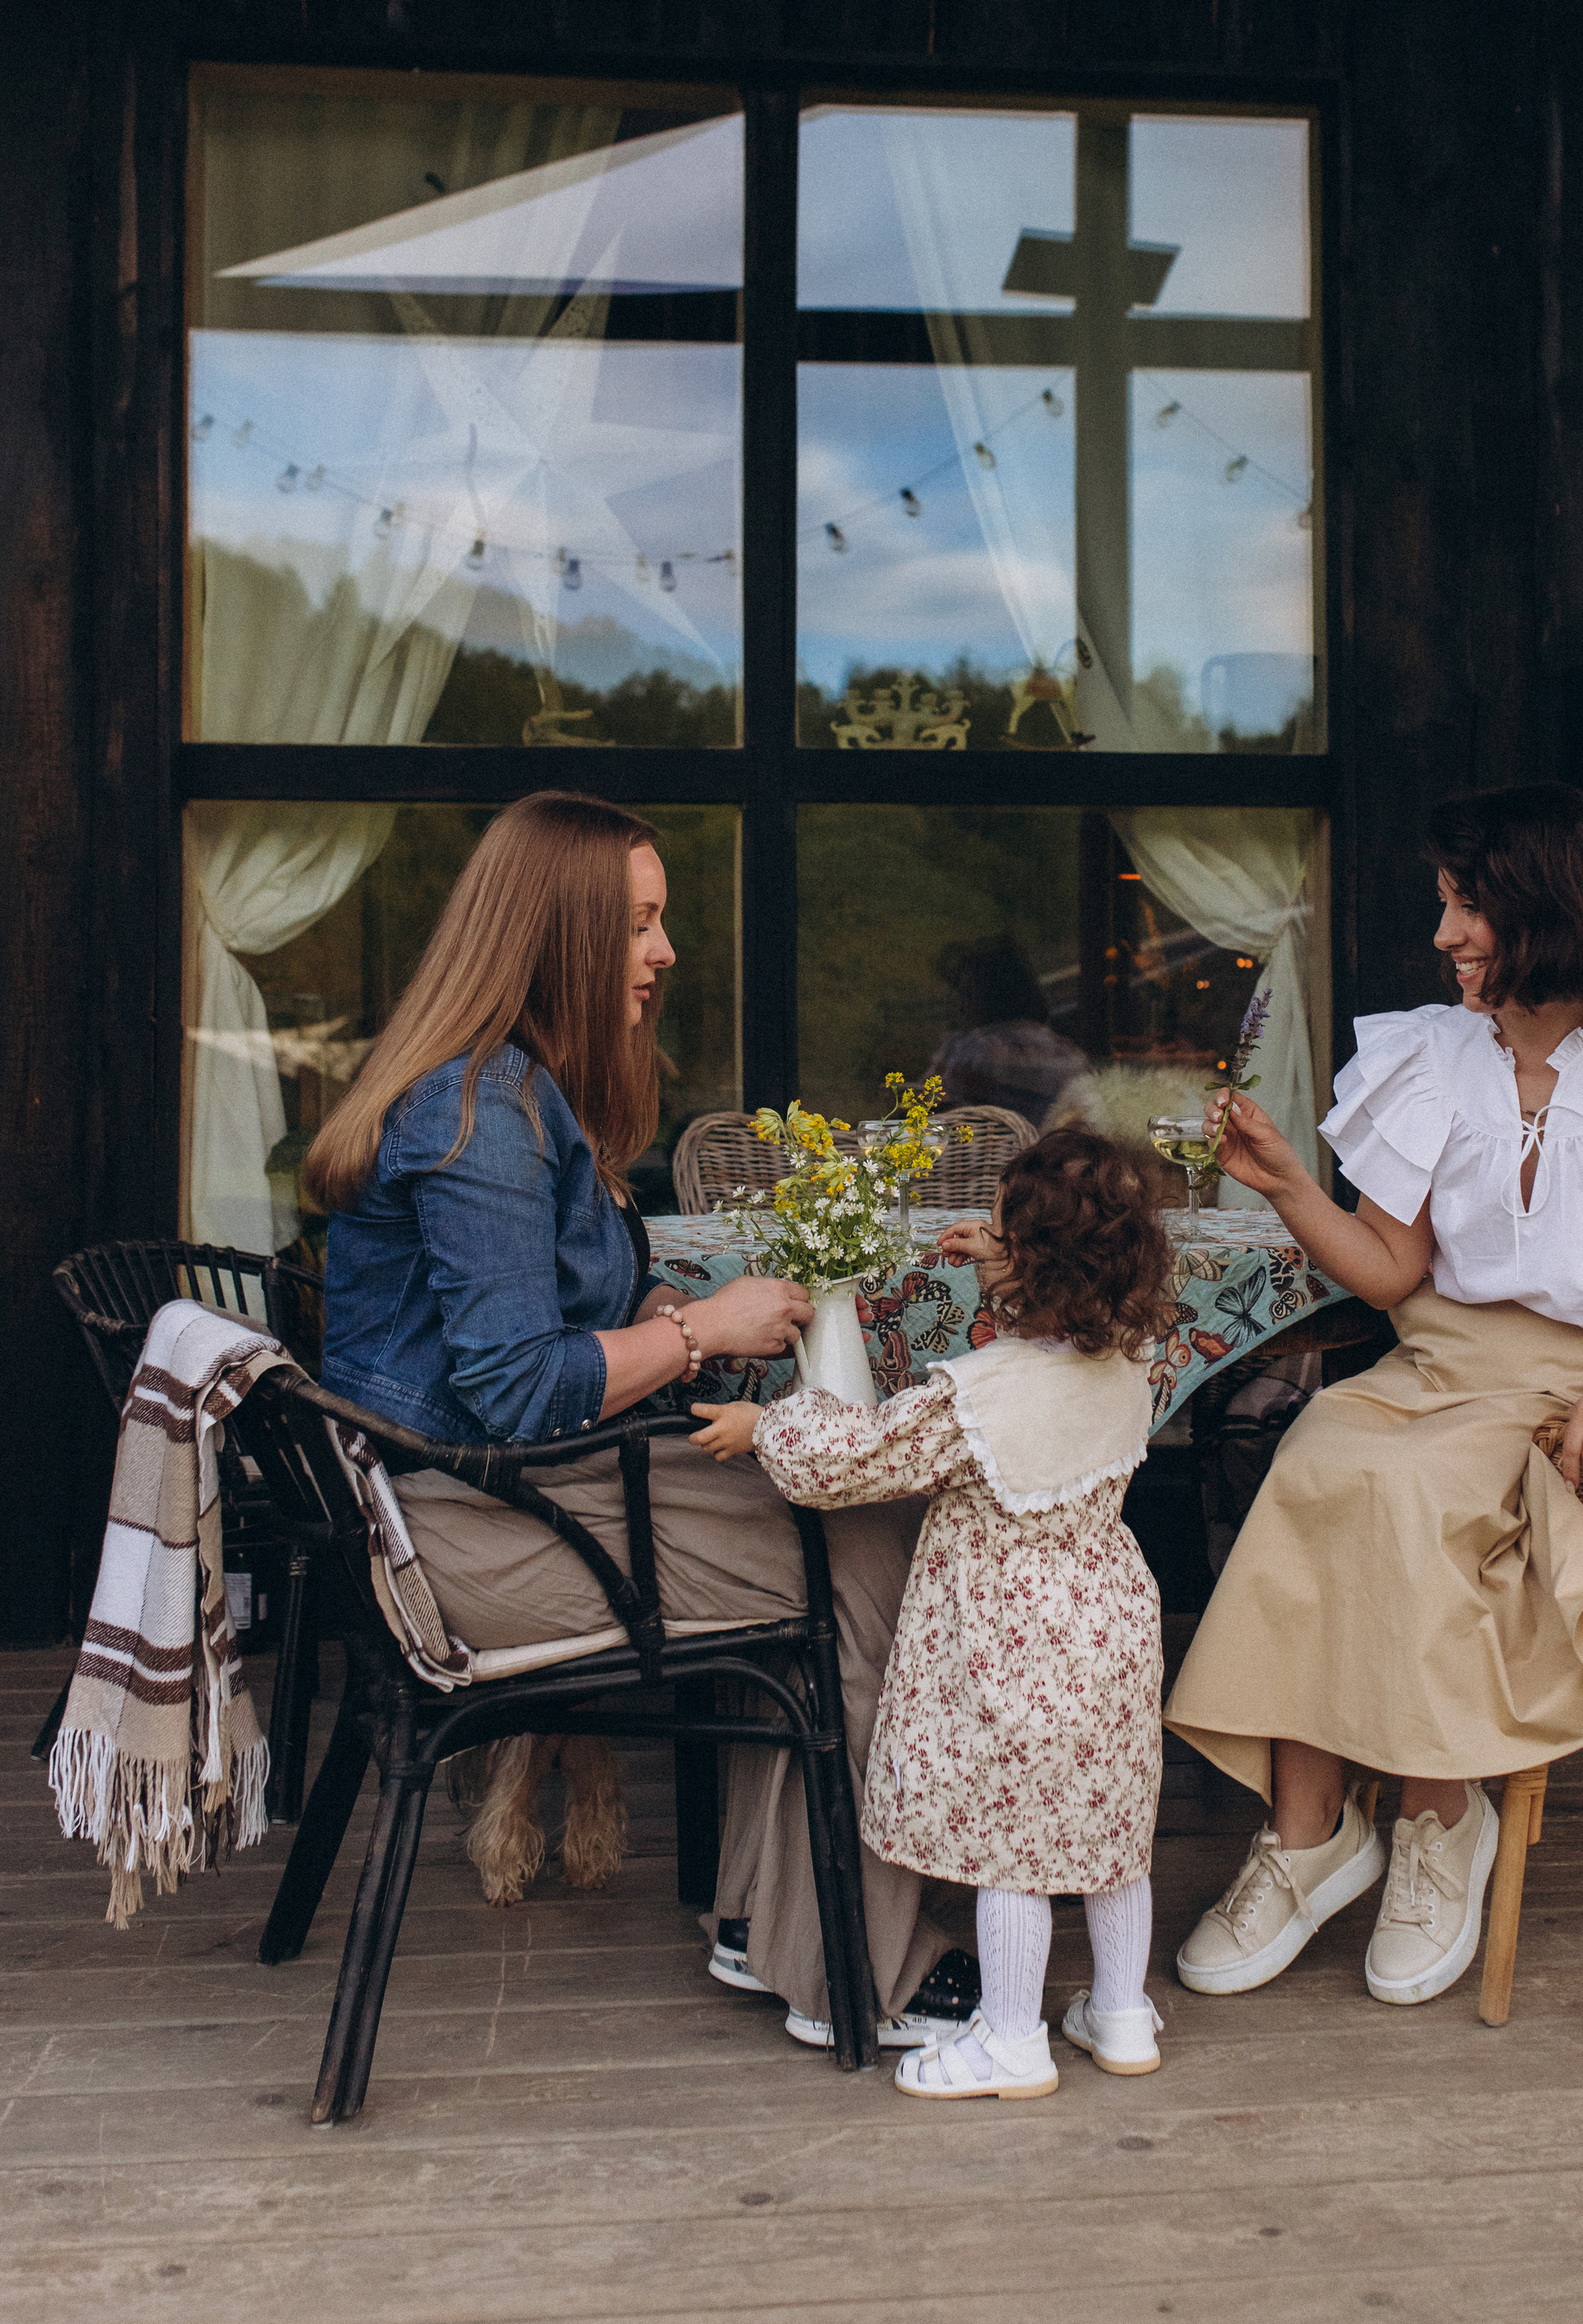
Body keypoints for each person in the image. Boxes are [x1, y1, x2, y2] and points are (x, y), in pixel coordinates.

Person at [307, 789, 973, 2050]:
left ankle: (769, 1920)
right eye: (640, 925)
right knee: (874, 1540)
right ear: (555, 936)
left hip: (482, 1496)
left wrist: (657, 1306)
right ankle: (856, 1965)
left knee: (844, 1504)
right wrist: (700, 1334)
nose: (664, 952)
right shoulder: (481, 1117)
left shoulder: (503, 1091)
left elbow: (531, 1325)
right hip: (472, 1536)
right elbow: (510, 1390)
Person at [1165, 783, 1583, 2009]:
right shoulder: (1429, 1055)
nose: (1447, 935)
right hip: (1441, 1366)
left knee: (1397, 1489)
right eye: (1448, 907)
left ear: (1549, 910)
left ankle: (1438, 1817)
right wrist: (1294, 1187)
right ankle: (1308, 1841)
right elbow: (1394, 1272)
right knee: (1315, 1458)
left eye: (1470, 908)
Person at [691, 1126, 1172, 2099]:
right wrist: (1013, 1258)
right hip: (1111, 1628)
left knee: (1010, 1851)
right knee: (1108, 1834)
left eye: (1005, 1229)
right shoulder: (1136, 1358)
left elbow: (849, 1461)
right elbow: (1067, 1311)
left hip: (1011, 1646)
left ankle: (1010, 2040)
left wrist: (768, 1421)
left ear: (1029, 1259)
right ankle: (1121, 2018)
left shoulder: (978, 1396)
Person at [926, 934, 1090, 1131]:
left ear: (987, 996)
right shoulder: (1065, 1050)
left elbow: (929, 1111)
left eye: (966, 993)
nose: (958, 1003)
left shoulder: (977, 1050)